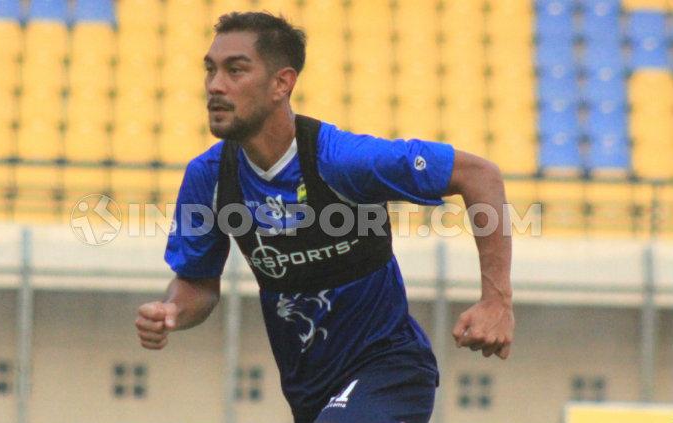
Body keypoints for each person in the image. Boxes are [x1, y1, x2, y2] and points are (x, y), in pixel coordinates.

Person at [135, 12, 514, 423]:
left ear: (282, 83)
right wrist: (173, 310)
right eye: (210, 70)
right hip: (310, 392)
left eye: (235, 70)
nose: (215, 85)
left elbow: (480, 175)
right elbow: (197, 283)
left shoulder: (342, 160)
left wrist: (496, 300)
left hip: (390, 370)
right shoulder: (208, 177)